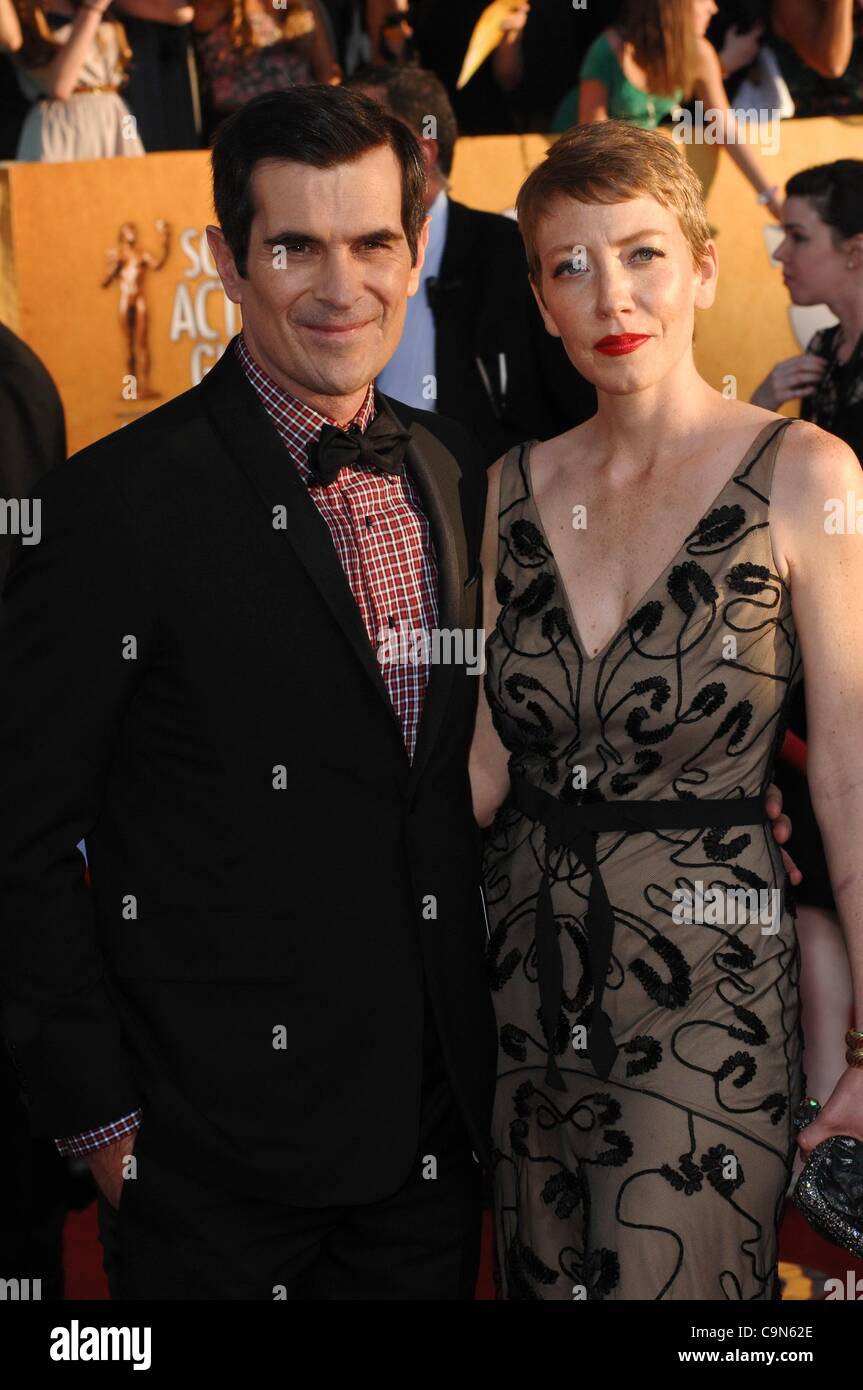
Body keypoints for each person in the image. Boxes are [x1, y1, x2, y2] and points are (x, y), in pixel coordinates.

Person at [0, 84, 495, 1301]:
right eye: (296, 247)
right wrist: (101, 1129)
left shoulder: (454, 472)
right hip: (208, 1171)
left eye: (374, 240)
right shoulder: (114, 509)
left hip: (428, 1152)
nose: (343, 286)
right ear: (227, 257)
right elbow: (16, 838)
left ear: (413, 244)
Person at [468, 119, 863, 1299]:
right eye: (569, 265)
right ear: (540, 300)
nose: (608, 294)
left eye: (640, 253)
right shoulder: (503, 488)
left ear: (701, 267)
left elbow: (845, 772)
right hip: (520, 978)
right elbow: (479, 767)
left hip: (706, 979)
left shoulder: (806, 474)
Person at [752, 157, 863, 1111]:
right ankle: (832, 1119)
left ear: (854, 250)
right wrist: (756, 410)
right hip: (807, 682)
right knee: (816, 889)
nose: (779, 253)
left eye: (796, 236)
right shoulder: (822, 359)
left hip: (850, 681)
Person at [353, 63, 597, 459]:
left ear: (420, 154)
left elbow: (578, 412)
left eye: (357, 139)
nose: (336, 160)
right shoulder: (333, 264)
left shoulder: (516, 256)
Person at [553, 0, 784, 220]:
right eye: (702, 0)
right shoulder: (608, 50)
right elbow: (593, 142)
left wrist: (771, 198)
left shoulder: (700, 52)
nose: (713, 8)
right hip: (582, 159)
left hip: (632, 164)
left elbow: (725, 127)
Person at [0, 0, 186, 160]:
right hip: (59, 123)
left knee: (131, 190)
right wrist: (92, 10)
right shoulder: (22, 14)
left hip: (118, 115)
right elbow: (59, 86)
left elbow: (180, 12)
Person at [192, 0, 339, 137]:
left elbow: (325, 69)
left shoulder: (293, 5)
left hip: (299, 117)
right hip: (239, 122)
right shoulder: (222, 6)